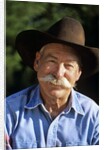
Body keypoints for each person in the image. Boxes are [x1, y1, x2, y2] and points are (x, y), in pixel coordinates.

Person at [5, 17, 99, 149]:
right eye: (52, 61)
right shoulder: (8, 111)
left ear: (78, 73)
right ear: (37, 62)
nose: (59, 73)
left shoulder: (94, 116)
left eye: (68, 66)